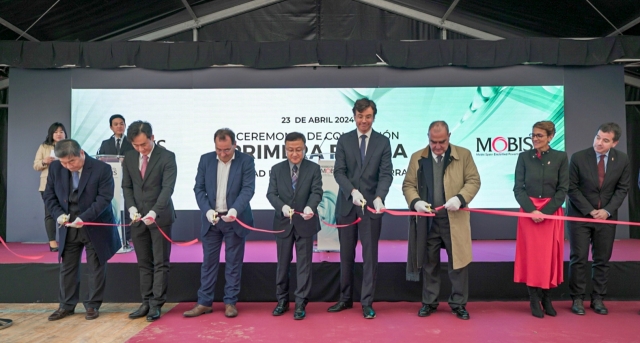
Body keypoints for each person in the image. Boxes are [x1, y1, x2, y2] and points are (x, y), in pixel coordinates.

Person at [402, 121, 481, 320]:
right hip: (428, 221)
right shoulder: (417, 157)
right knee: (429, 263)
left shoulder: (463, 155)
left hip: (454, 219)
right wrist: (416, 201)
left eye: (442, 142)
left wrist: (460, 198)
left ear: (449, 137)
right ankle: (429, 302)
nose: (437, 146)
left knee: (458, 263)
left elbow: (474, 180)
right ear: (427, 137)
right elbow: (408, 185)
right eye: (433, 142)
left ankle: (459, 303)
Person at [327, 98, 393, 319]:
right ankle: (345, 299)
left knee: (370, 257)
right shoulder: (344, 140)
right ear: (354, 115)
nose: (364, 120)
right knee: (346, 255)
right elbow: (339, 172)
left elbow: (386, 174)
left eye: (368, 116)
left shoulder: (382, 142)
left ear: (374, 117)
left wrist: (380, 197)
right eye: (360, 116)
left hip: (371, 209)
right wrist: (352, 191)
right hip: (347, 206)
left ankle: (367, 302)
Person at [43, 139, 120, 321]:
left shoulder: (102, 169)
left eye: (72, 162)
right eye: (63, 162)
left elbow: (104, 199)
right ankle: (66, 305)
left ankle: (92, 305)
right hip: (68, 225)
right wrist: (59, 215)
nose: (68, 166)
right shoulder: (55, 169)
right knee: (68, 267)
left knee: (96, 267)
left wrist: (83, 218)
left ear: (82, 153)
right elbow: (49, 196)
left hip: (94, 224)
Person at [183, 128, 255, 319]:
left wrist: (234, 210)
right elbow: (198, 189)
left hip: (235, 220)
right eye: (218, 149)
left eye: (227, 150)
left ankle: (230, 302)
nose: (222, 154)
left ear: (235, 146)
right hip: (212, 221)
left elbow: (248, 190)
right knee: (208, 263)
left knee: (233, 263)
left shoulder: (246, 161)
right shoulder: (205, 160)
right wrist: (207, 211)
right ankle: (204, 302)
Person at [567, 122, 630, 315]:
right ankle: (577, 299)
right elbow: (572, 188)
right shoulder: (578, 157)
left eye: (605, 140)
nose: (599, 143)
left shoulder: (622, 159)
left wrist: (607, 211)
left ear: (614, 143)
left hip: (607, 217)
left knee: (602, 259)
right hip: (580, 215)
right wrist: (590, 210)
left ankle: (598, 299)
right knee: (578, 258)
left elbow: (622, 188)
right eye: (597, 137)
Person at [122, 121, 177, 322]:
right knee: (144, 262)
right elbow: (126, 187)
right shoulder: (128, 157)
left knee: (161, 262)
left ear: (152, 137)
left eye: (143, 144)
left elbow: (167, 189)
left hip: (160, 217)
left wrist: (154, 211)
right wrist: (132, 208)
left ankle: (156, 304)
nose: (140, 149)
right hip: (137, 219)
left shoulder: (167, 156)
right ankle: (145, 301)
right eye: (136, 145)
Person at [513, 120, 569, 318]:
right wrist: (531, 211)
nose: (535, 139)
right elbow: (518, 189)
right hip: (529, 213)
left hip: (551, 213)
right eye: (533, 135)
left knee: (548, 257)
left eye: (539, 136)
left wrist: (545, 212)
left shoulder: (561, 157)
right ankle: (533, 298)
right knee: (532, 256)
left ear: (551, 136)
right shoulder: (524, 157)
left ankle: (547, 297)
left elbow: (563, 190)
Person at [267, 132, 323, 320]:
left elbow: (317, 192)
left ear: (305, 148)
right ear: (285, 149)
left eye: (298, 150)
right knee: (282, 265)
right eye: (290, 150)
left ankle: (300, 303)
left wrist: (310, 206)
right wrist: (281, 207)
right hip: (283, 223)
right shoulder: (276, 169)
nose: (294, 154)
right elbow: (271, 194)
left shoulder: (313, 169)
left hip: (305, 223)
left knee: (304, 265)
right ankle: (282, 301)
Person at [33, 122, 67, 252]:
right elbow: (35, 165)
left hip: (65, 184)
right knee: (50, 214)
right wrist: (44, 161)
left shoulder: (69, 146)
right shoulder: (44, 147)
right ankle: (52, 243)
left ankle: (66, 240)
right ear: (51, 134)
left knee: (67, 212)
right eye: (56, 132)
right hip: (47, 184)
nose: (59, 134)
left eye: (61, 131)